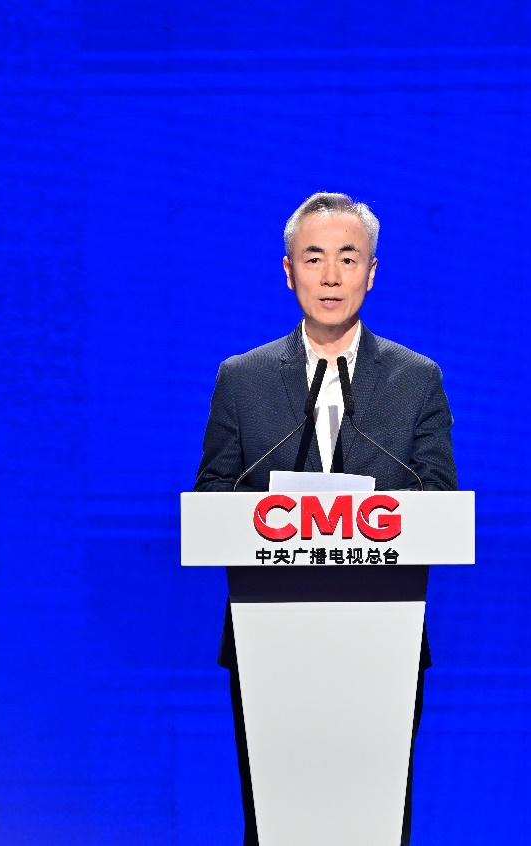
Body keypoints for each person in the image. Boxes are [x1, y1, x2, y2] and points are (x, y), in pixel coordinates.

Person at [193, 192, 458, 845]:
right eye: (314, 259)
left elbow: (439, 498)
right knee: (277, 824)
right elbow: (213, 493)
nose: (331, 276)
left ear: (372, 271)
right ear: (289, 271)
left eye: (348, 258)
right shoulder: (243, 378)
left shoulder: (417, 378)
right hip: (269, 640)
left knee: (373, 824)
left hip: (383, 640)